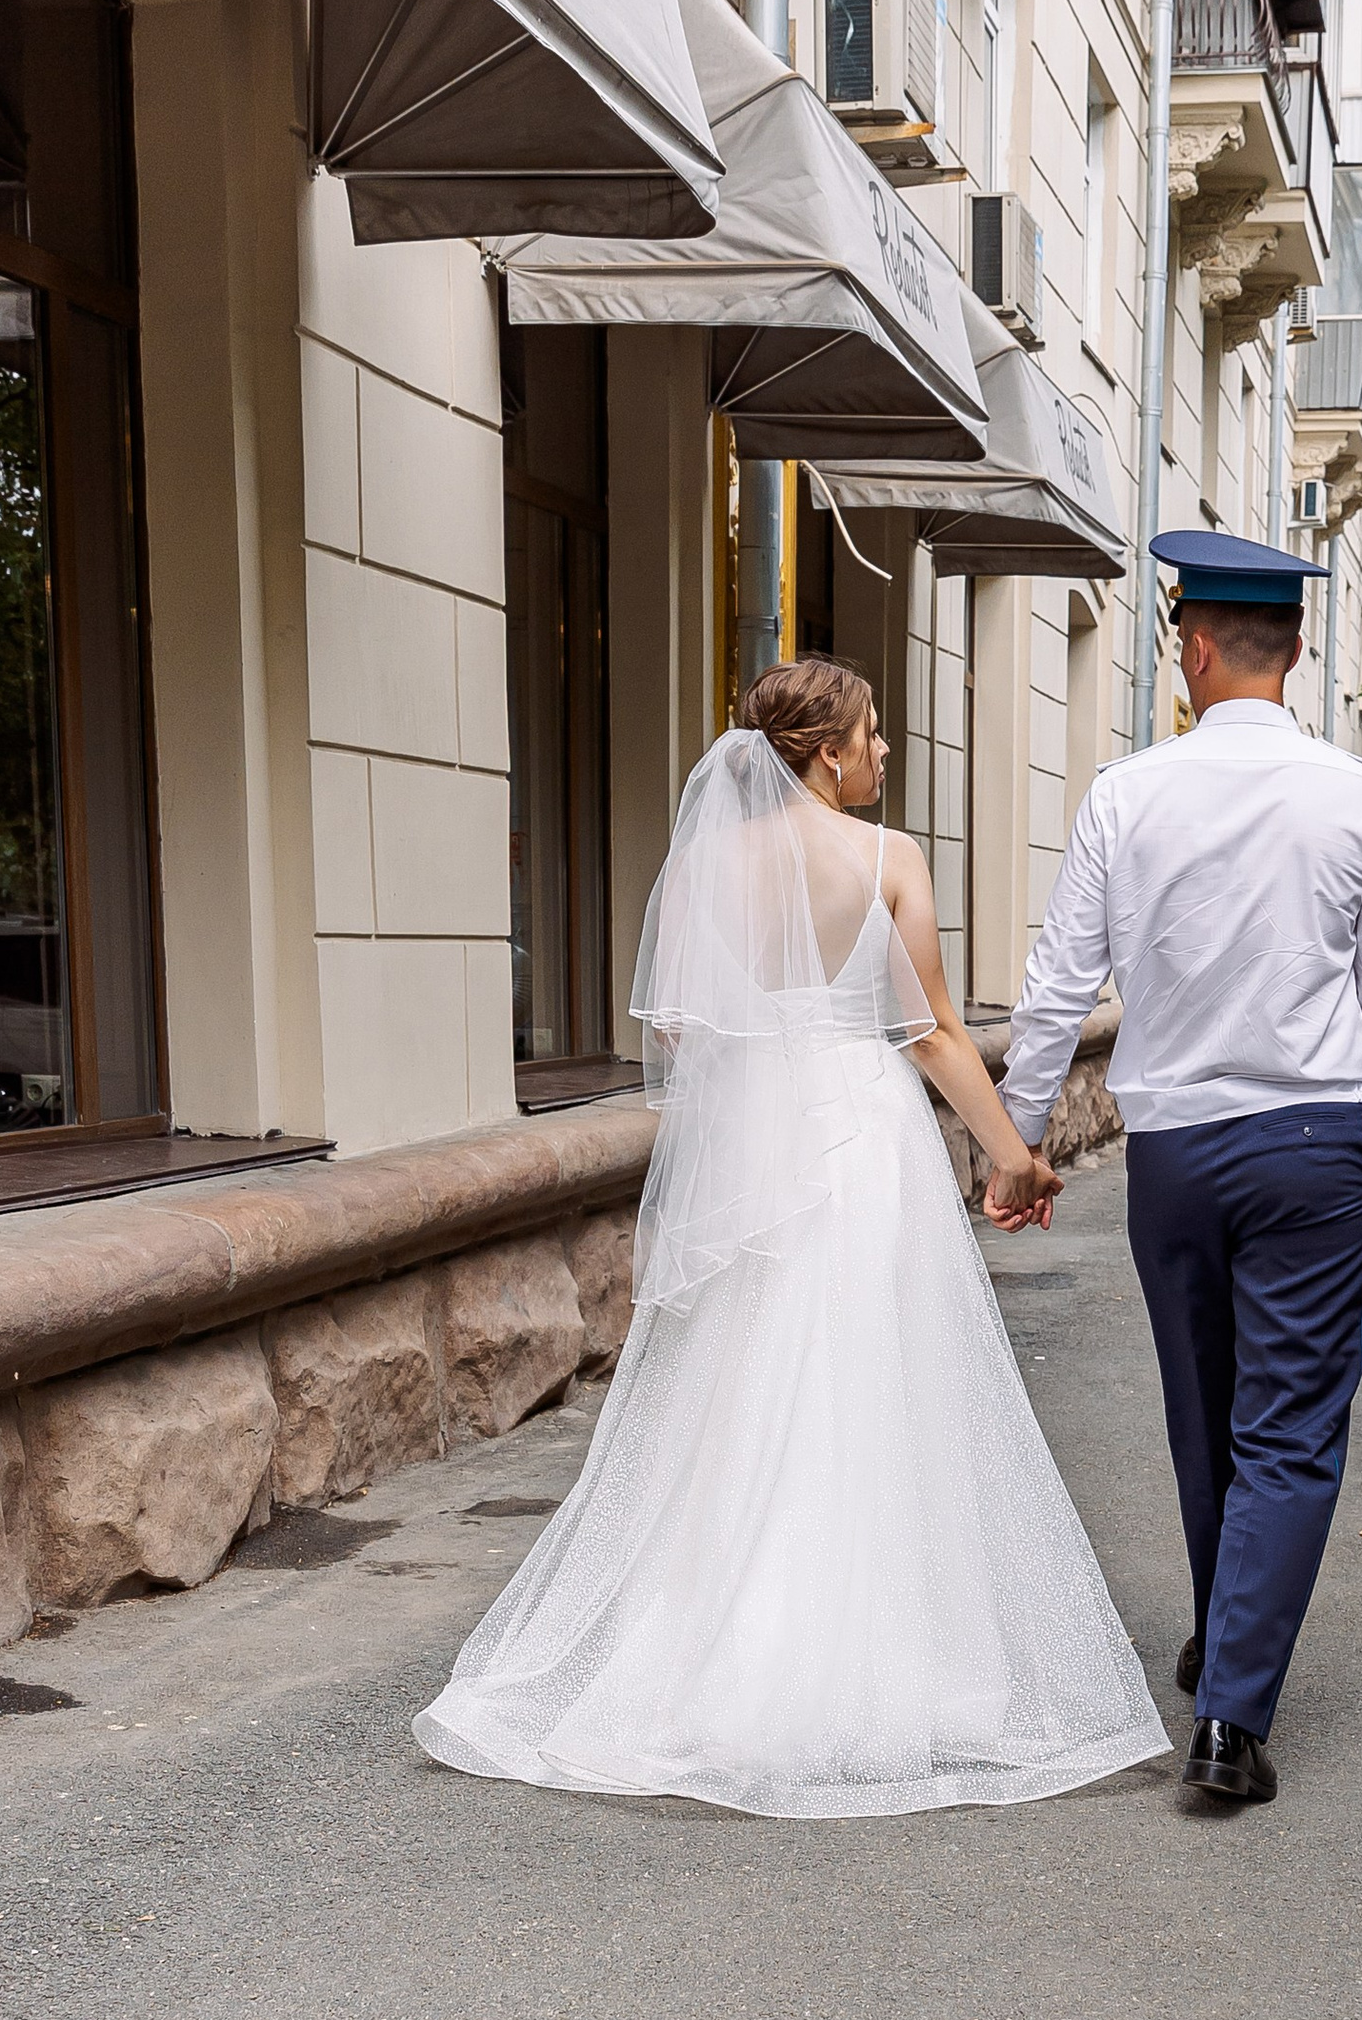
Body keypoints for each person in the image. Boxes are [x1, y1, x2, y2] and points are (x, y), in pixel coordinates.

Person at [413, 658, 1167, 1818]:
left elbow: (682, 1025)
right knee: (869, 1376)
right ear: (825, 751)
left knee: (743, 1381)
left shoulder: (708, 861)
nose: (883, 751)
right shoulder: (887, 859)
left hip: (755, 1147)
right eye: (872, 734)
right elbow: (933, 1033)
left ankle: (715, 1652)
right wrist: (1012, 1156)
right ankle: (874, 1658)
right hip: (860, 1138)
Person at [992, 533, 1362, 1813]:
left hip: (1176, 1152)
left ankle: (1222, 1641)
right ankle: (1231, 1717)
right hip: (1314, 1145)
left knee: (1205, 1411)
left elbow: (1057, 985)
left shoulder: (1123, 795)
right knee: (1287, 1427)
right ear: (1292, 649)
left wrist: (1020, 1143)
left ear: (1191, 648)